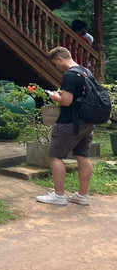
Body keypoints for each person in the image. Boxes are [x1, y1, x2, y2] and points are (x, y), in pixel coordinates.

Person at [36, 46, 94, 206]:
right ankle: (82, 196)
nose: (56, 67)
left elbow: (67, 101)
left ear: (60, 59)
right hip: (88, 121)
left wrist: (56, 97)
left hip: (70, 121)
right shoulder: (86, 72)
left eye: (55, 63)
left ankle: (59, 195)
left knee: (56, 155)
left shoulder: (69, 75)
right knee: (83, 156)